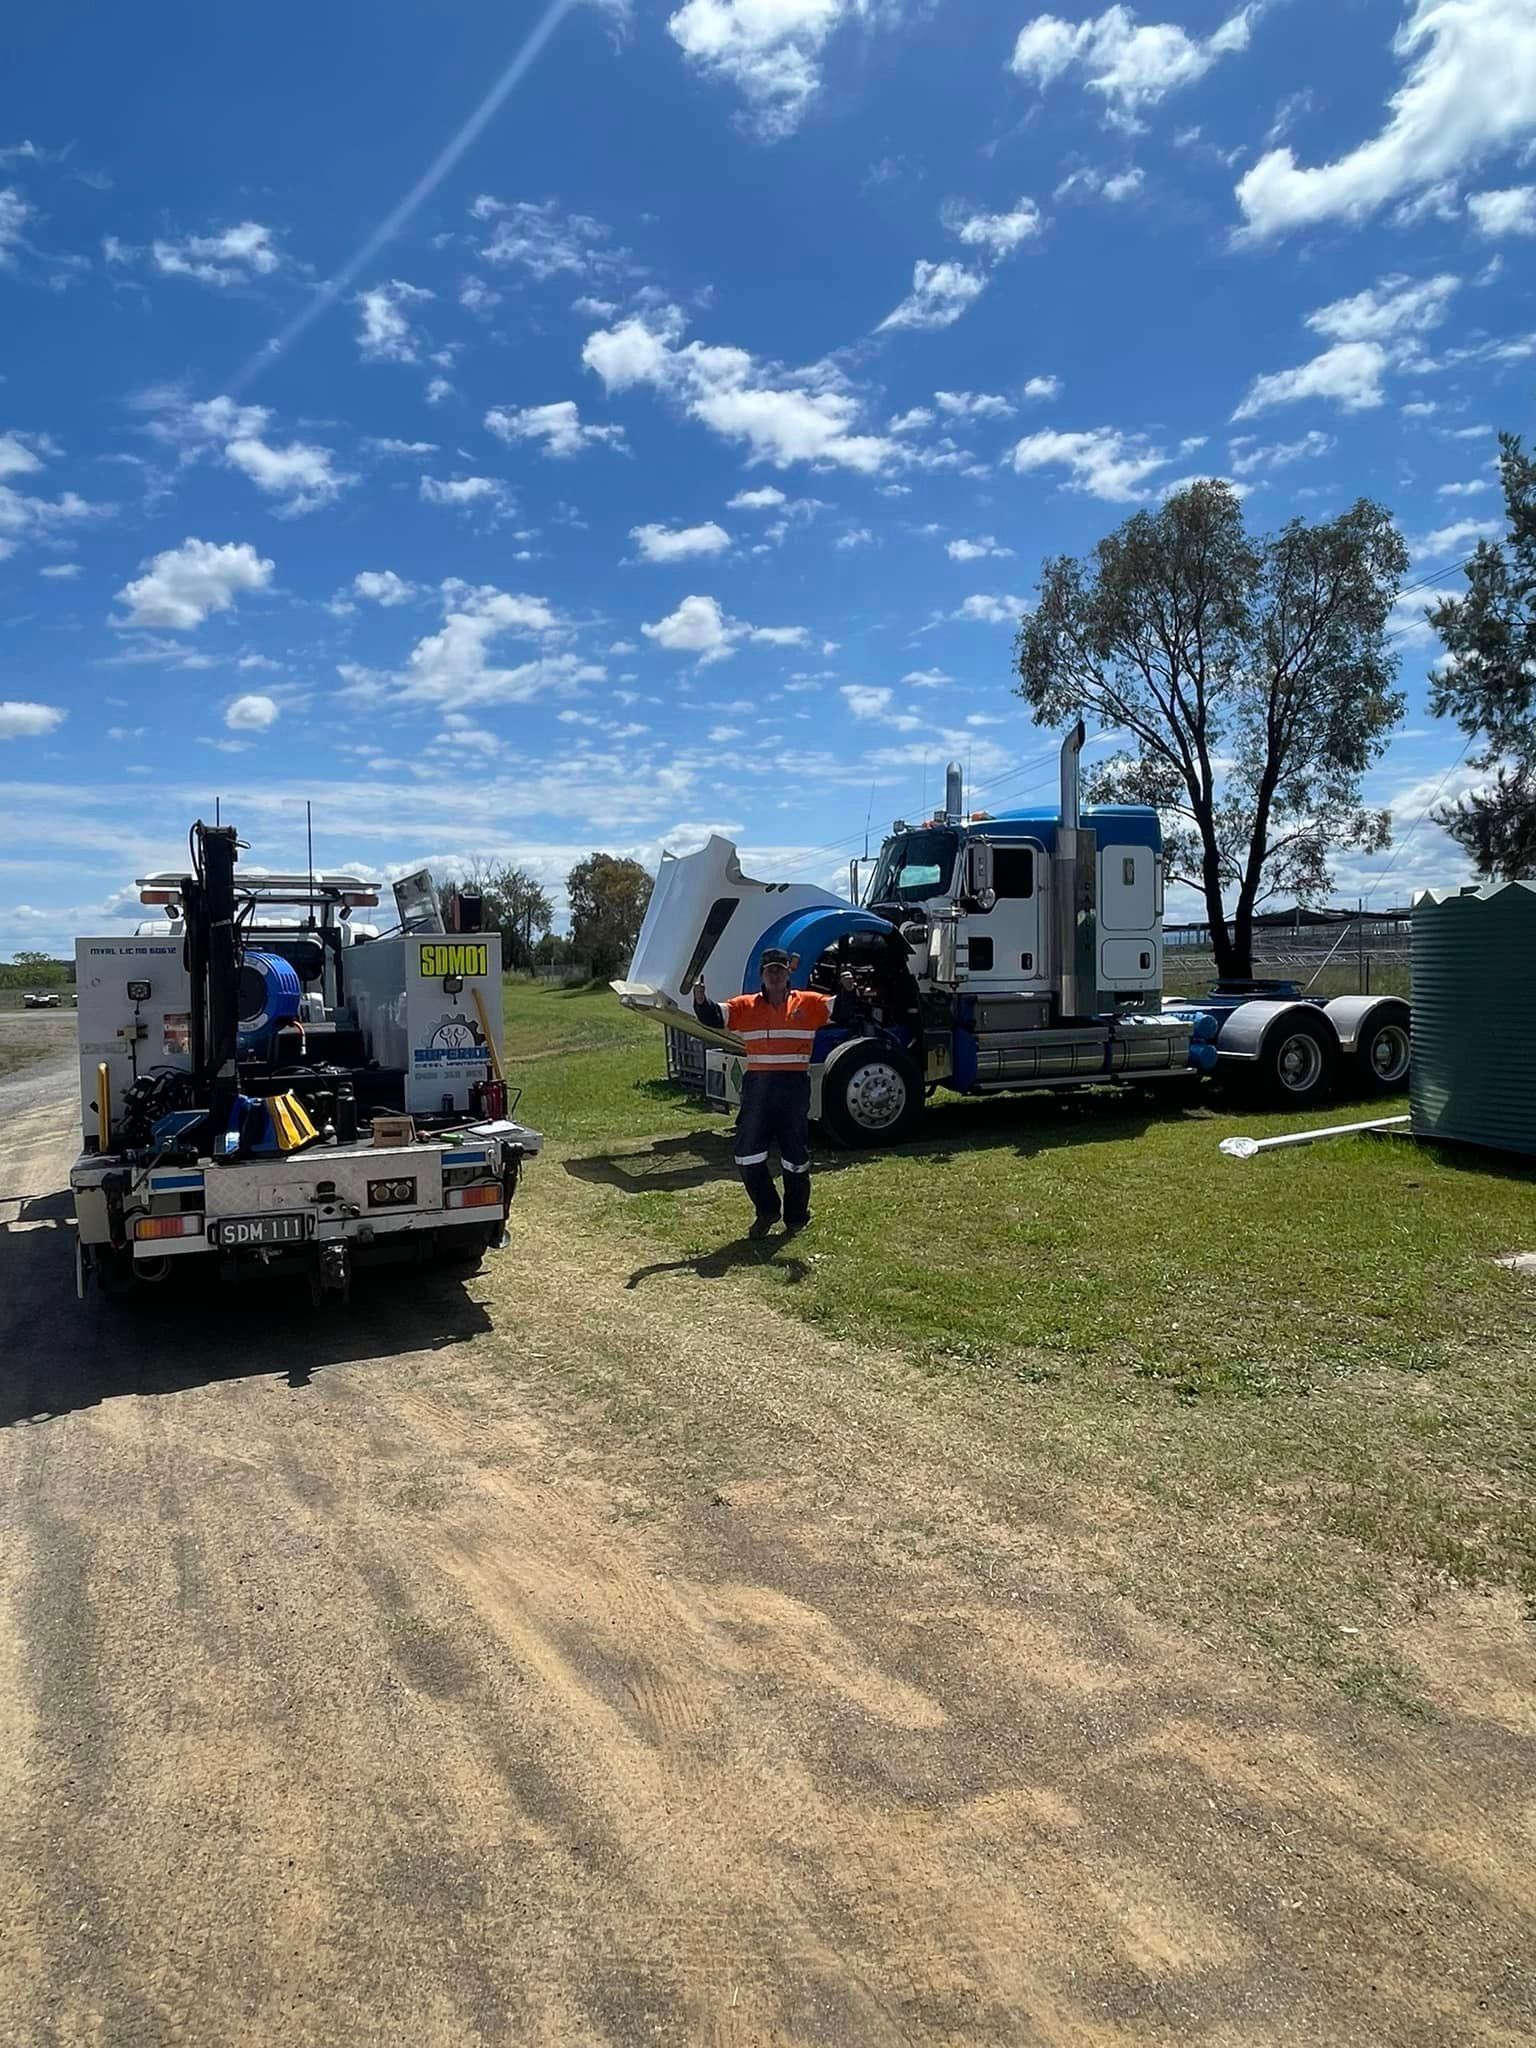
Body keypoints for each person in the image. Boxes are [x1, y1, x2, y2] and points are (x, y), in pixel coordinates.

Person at [694, 949, 862, 1238]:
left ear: (788, 975)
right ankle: (767, 1210)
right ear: (762, 975)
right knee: (747, 1154)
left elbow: (842, 1011)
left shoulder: (808, 1003)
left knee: (795, 1156)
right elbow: (713, 1015)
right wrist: (699, 999)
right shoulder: (745, 1006)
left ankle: (796, 1217)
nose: (774, 975)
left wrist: (848, 990)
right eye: (769, 970)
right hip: (758, 1086)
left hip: (793, 1087)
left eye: (779, 970)